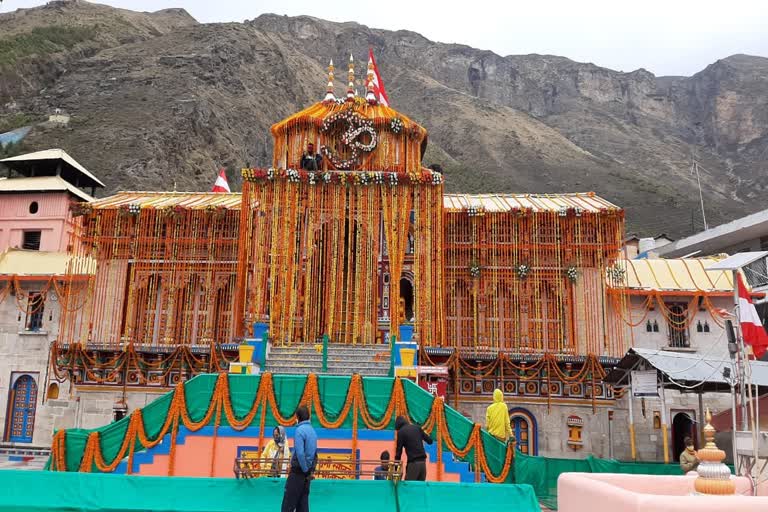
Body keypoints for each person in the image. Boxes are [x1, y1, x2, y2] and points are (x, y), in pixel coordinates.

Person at [281, 406, 317, 512]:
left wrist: (304, 469)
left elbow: (300, 453)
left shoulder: (299, 431)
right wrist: (309, 471)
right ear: (308, 417)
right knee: (303, 506)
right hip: (306, 475)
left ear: (297, 417)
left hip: (298, 472)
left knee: (287, 505)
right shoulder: (313, 431)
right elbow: (314, 454)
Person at [394, 415, 433, 481]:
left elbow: (399, 452)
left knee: (408, 487)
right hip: (423, 464)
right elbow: (430, 441)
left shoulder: (401, 432)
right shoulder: (417, 428)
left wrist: (396, 467)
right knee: (420, 488)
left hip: (413, 464)